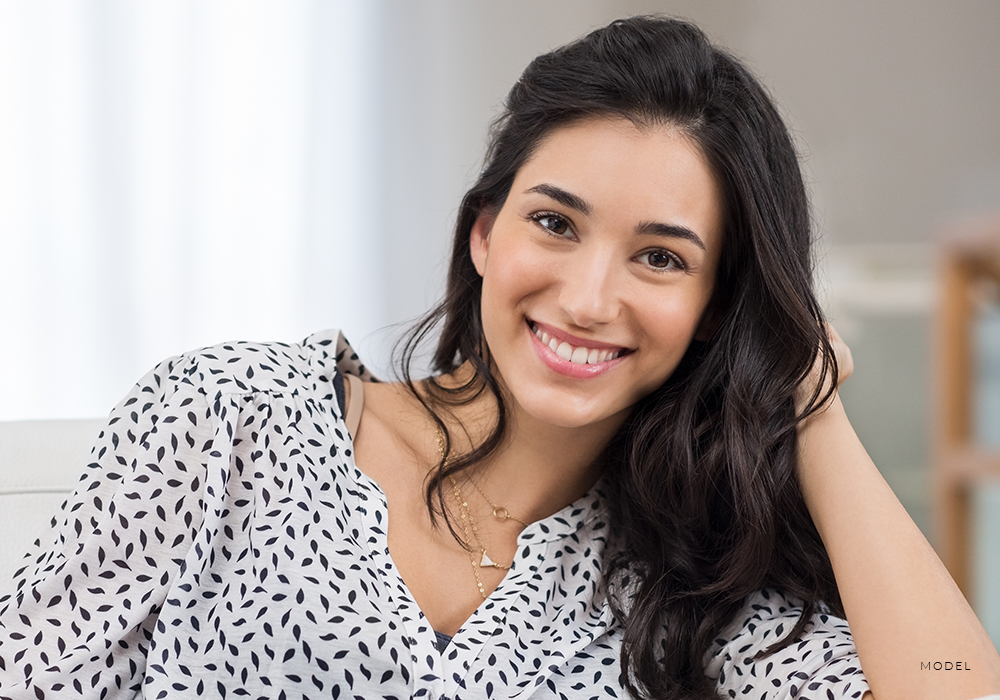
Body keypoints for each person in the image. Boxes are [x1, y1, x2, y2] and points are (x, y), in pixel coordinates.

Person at [1, 15, 998, 700]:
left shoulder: (691, 592)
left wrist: (809, 401)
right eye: (555, 223)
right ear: (484, 233)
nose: (587, 297)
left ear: (713, 307)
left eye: (659, 256)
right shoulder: (226, 416)